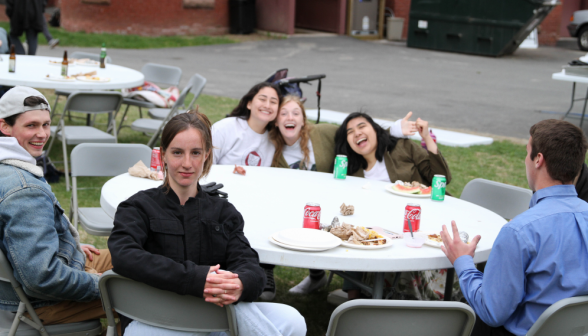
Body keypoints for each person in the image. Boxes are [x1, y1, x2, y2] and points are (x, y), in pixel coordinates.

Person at [108, 110, 306, 336]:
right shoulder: (138, 207)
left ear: (207, 155)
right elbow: (124, 255)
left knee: (293, 320)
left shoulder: (223, 212)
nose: (187, 163)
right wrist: (196, 278)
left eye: (195, 153)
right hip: (157, 315)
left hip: (214, 310)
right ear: (163, 155)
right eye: (177, 153)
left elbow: (249, 263)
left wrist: (239, 285)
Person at [441, 119, 588, 336]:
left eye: (526, 152)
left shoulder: (520, 232)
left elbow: (492, 312)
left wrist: (463, 262)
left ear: (538, 159)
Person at [269, 95, 418, 295]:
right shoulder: (271, 147)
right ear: (276, 120)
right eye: (284, 113)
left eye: (296, 113)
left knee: (349, 228)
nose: (290, 117)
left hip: (331, 200)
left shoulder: (321, 133)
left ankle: (348, 287)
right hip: (298, 202)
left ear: (304, 120)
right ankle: (308, 277)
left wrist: (395, 129)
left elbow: (360, 133)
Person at [0, 86, 113, 326]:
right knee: (142, 294)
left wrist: (66, 242)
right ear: (5, 127)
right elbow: (42, 277)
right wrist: (100, 283)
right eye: (31, 125)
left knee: (131, 258)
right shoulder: (25, 190)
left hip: (21, 281)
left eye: (45, 124)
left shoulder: (9, 166)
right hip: (37, 302)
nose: (42, 134)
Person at [333, 111, 454, 301]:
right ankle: (355, 300)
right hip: (382, 227)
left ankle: (421, 299)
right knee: (355, 231)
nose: (356, 133)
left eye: (362, 126)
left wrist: (427, 138)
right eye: (350, 131)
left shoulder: (402, 148)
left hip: (421, 219)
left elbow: (441, 178)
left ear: (375, 129)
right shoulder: (351, 172)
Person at [211, 82, 282, 301]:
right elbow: (204, 166)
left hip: (256, 200)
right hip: (220, 198)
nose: (267, 104)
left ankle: (265, 268)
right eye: (262, 98)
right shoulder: (226, 128)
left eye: (274, 101)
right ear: (249, 103)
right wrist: (228, 173)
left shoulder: (275, 141)